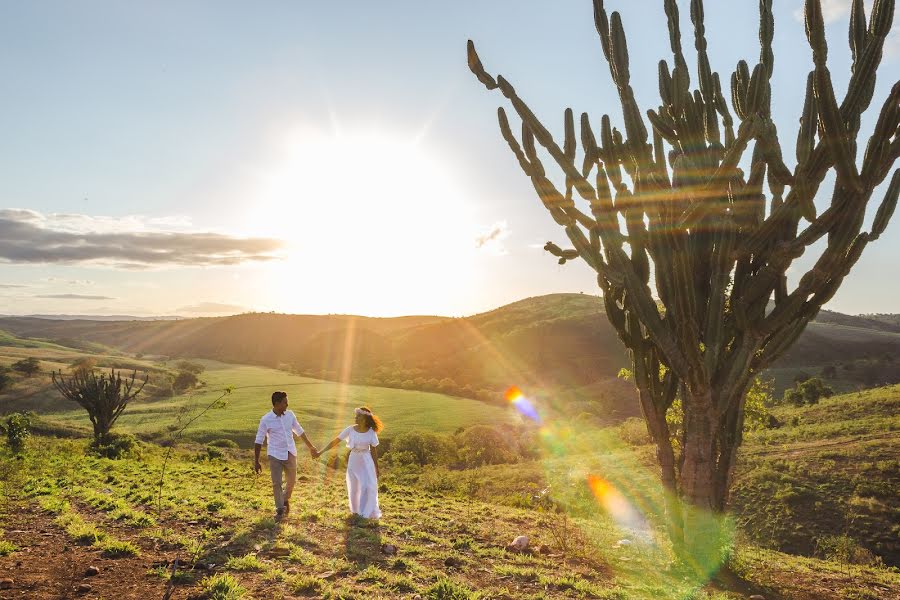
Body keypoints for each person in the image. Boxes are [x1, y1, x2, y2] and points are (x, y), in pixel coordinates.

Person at [254, 391, 317, 518]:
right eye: (284, 402)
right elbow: (259, 440)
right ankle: (279, 508)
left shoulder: (290, 415)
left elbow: (299, 431)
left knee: (292, 481)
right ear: (277, 404)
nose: (287, 404)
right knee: (276, 482)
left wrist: (311, 447)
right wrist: (256, 461)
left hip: (290, 452)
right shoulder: (266, 419)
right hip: (275, 454)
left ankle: (285, 498)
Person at [315, 406, 382, 519]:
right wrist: (321, 452)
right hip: (354, 459)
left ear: (365, 418)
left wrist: (376, 467)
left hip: (367, 460)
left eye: (358, 416)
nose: (355, 418)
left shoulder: (371, 432)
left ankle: (365, 513)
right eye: (355, 415)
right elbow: (335, 441)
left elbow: (374, 451)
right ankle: (355, 511)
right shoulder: (350, 429)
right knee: (354, 487)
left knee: (367, 485)